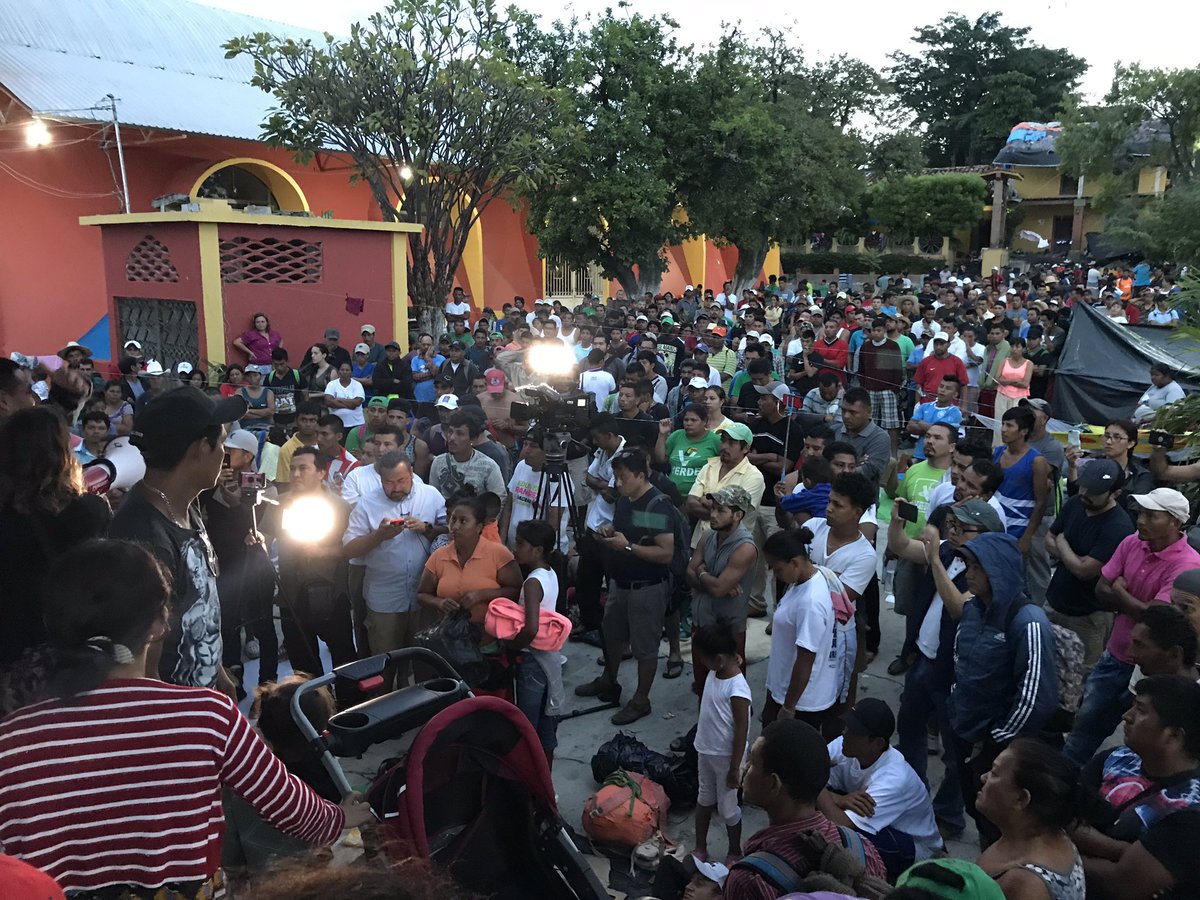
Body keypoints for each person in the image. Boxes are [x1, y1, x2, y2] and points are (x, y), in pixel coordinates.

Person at [0, 540, 368, 895]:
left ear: (54, 626)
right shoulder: (205, 715)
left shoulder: (11, 741)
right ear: (160, 623)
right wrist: (339, 817)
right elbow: (288, 806)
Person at [110, 388, 247, 692]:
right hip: (177, 724)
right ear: (200, 448)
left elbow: (198, 611)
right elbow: (145, 672)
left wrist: (218, 675)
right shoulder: (145, 539)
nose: (224, 454)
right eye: (222, 443)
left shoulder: (184, 505)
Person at [1063, 488, 1200, 764]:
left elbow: (1160, 621)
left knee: (1146, 741)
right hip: (1115, 656)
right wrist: (1137, 604)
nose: (1140, 521)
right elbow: (1101, 590)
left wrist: (1121, 592)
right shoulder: (1131, 543)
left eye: (1151, 516)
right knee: (1083, 729)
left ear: (1175, 522)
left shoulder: (1188, 566)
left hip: (1157, 667)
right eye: (1140, 514)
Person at [0, 408, 112, 676]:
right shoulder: (90, 511)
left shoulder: (7, 516)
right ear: (64, 452)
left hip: (9, 654)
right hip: (70, 653)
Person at [724, 721, 887, 899]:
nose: (745, 768)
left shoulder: (750, 881)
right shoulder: (863, 850)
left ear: (773, 784)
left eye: (753, 762)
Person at [575, 448, 675, 725]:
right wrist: (611, 534)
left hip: (647, 588)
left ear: (641, 475)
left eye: (622, 477)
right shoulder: (625, 500)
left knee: (645, 648)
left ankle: (641, 700)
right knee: (614, 635)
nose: (617, 483)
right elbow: (627, 532)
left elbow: (665, 552)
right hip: (620, 584)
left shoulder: (657, 505)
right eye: (616, 477)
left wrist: (628, 547)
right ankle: (609, 679)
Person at [1076, 676, 1200, 898]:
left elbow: (1122, 881)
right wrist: (1123, 850)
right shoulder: (1115, 758)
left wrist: (1049, 855)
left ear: (1173, 735)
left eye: (1141, 710)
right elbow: (1063, 809)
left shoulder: (1191, 810)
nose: (1127, 716)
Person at [342, 453, 446, 684]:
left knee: (423, 665)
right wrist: (378, 536)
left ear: (411, 474)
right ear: (380, 480)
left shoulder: (431, 496)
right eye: (389, 482)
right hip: (384, 600)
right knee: (384, 665)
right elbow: (348, 549)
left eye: (401, 481)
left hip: (423, 597)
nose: (395, 488)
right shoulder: (367, 504)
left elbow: (450, 531)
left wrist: (427, 528)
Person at [819, 698, 942, 879]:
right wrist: (837, 799)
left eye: (854, 732)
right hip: (877, 824)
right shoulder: (844, 746)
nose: (845, 734)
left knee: (838, 834)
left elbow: (842, 824)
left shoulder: (895, 778)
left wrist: (817, 786)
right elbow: (802, 768)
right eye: (846, 727)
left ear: (877, 743)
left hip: (915, 849)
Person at [203, 430, 279, 691]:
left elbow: (262, 524)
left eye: (231, 451)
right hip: (224, 564)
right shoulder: (210, 482)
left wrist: (237, 499)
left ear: (248, 455)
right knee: (228, 624)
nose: (225, 455)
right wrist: (215, 485)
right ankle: (234, 683)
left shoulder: (264, 484)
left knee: (263, 624)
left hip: (257, 565)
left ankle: (267, 686)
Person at [1045, 460, 1136, 673]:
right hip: (1054, 601)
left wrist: (1063, 543)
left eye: (1094, 491)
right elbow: (1048, 539)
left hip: (1088, 616)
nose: (1085, 492)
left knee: (1079, 675)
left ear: (1115, 493)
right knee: (1044, 663)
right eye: (1084, 486)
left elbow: (1084, 571)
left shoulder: (1119, 526)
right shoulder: (1076, 503)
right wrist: (1073, 557)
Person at [975, 739, 1086, 900]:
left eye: (994, 773)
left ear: (1021, 798)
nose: (983, 777)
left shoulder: (1024, 885)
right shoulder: (1052, 834)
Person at [761, 529, 842, 732]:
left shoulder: (810, 603)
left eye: (778, 569)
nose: (775, 575)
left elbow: (806, 659)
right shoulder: (803, 580)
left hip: (801, 700)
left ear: (795, 563)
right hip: (784, 687)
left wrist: (789, 707)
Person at [687, 486, 759, 696]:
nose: (713, 514)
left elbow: (717, 589)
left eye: (720, 510)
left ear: (738, 515)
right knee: (702, 684)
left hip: (727, 630)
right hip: (701, 622)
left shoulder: (744, 547)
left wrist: (701, 572)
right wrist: (710, 579)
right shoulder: (708, 535)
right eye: (713, 508)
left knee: (729, 689)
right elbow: (688, 574)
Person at [692, 622, 752, 866]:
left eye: (703, 659)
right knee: (704, 799)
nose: (702, 664)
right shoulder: (716, 672)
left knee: (729, 809)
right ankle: (700, 846)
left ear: (718, 659)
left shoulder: (737, 690)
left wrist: (735, 768)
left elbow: (742, 730)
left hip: (727, 758)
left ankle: (735, 850)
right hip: (705, 750)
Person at [416, 493, 521, 621]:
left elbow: (517, 591)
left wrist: (483, 595)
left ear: (479, 527)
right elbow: (422, 594)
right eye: (453, 520)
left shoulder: (499, 554)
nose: (455, 527)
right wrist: (439, 603)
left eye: (463, 521)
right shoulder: (439, 556)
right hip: (449, 635)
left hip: (488, 635)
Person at [686, 424, 766, 556]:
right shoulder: (709, 466)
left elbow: (736, 517)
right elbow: (690, 503)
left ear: (746, 448)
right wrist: (721, 510)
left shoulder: (753, 476)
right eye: (723, 440)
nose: (724, 446)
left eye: (731, 443)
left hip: (732, 549)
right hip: (699, 543)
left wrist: (703, 499)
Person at [1067, 419, 1153, 522]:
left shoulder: (1141, 475)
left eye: (1117, 437)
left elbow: (1135, 512)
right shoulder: (1091, 465)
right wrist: (1072, 467)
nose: (1108, 442)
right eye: (1106, 436)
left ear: (1130, 443)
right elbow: (1075, 496)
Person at [498, 431, 569, 552]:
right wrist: (502, 540)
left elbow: (552, 524)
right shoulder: (521, 466)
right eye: (525, 444)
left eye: (533, 446)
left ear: (547, 449)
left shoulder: (558, 478)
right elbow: (509, 506)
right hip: (513, 547)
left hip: (537, 551)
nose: (527, 450)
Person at [993, 407, 1050, 555]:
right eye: (1003, 424)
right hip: (994, 524)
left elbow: (1041, 503)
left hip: (1018, 529)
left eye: (1009, 425)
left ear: (1024, 431)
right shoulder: (996, 453)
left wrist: (1027, 537)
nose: (1003, 429)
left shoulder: (1036, 461)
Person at [428, 410, 507, 499]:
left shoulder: (488, 466)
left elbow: (499, 499)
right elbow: (433, 497)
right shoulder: (438, 462)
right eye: (450, 432)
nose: (452, 438)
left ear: (472, 439)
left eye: (460, 433)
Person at [657, 408, 722, 497]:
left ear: (705, 422)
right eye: (686, 420)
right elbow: (660, 459)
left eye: (693, 420)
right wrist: (662, 434)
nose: (689, 423)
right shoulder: (677, 435)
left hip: (700, 498)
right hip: (673, 495)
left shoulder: (715, 440)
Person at [833, 388, 891, 487]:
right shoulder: (834, 430)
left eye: (853, 412)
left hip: (861, 499)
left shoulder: (880, 438)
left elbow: (868, 472)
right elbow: (820, 466)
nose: (846, 416)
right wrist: (855, 464)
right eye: (843, 410)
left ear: (869, 412)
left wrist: (834, 466)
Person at [908, 376, 963, 461]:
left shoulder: (955, 412)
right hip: (920, 455)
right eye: (941, 386)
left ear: (955, 395)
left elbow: (942, 433)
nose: (942, 390)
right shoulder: (924, 406)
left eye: (948, 388)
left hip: (939, 459)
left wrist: (921, 423)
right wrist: (932, 428)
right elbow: (910, 428)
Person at [913, 333, 968, 404]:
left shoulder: (957, 362)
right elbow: (919, 384)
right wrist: (917, 404)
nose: (938, 347)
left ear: (948, 345)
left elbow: (963, 384)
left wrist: (964, 405)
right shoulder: (926, 361)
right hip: (927, 402)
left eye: (941, 344)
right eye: (936, 344)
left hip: (949, 404)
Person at [324, 361, 366, 429]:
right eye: (342, 370)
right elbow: (328, 402)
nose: (344, 372)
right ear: (338, 371)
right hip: (336, 424)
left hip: (356, 424)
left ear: (351, 372)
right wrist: (350, 406)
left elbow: (357, 402)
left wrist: (338, 399)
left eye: (347, 370)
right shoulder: (332, 384)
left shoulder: (357, 385)